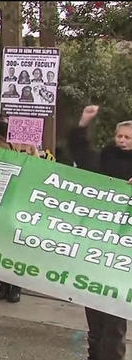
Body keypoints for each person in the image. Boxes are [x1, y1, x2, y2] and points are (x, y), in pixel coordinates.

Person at [69, 105, 132, 360]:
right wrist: (83, 122)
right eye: (120, 136)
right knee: (94, 309)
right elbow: (82, 154)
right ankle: (93, 354)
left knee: (115, 317)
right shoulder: (105, 158)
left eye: (128, 137)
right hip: (97, 245)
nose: (123, 141)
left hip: (123, 252)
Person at [0, 119, 36, 303]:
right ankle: (5, 284)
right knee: (2, 246)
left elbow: (36, 169)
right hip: (0, 203)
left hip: (16, 202)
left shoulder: (23, 146)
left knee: (12, 246)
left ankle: (14, 286)